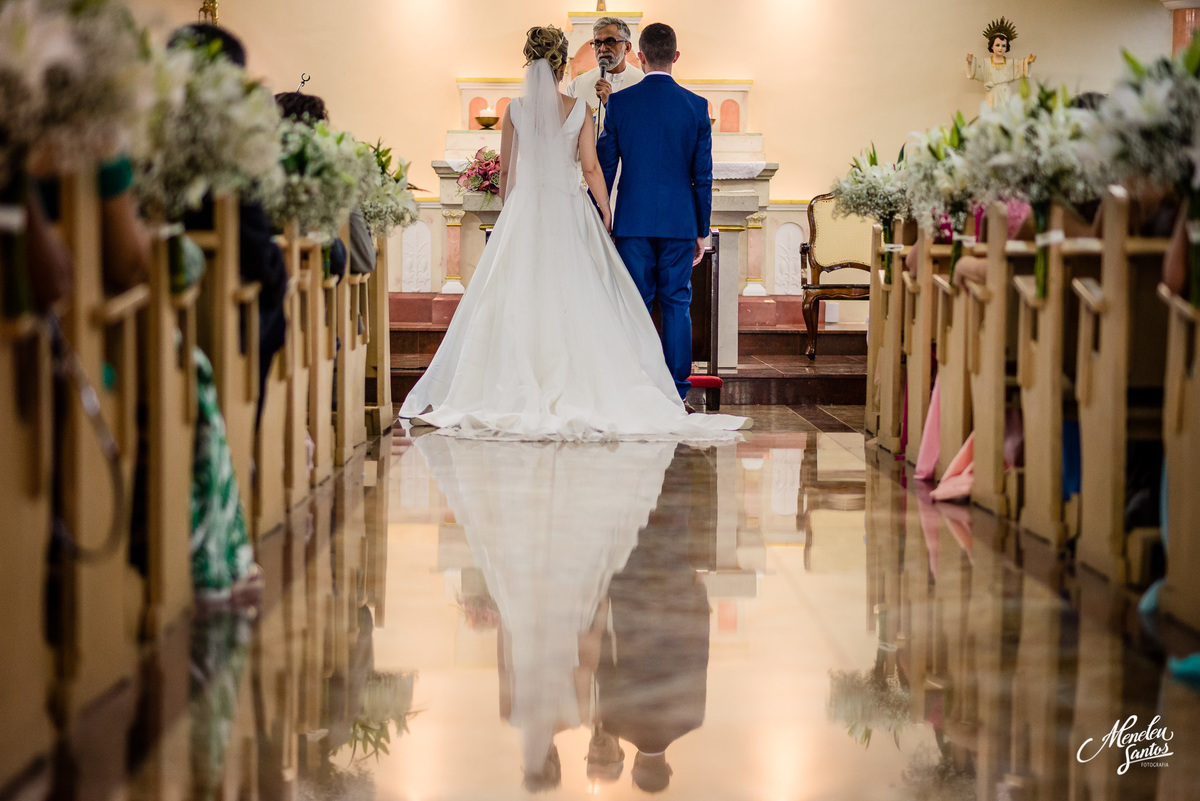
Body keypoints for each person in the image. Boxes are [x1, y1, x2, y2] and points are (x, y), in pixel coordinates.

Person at [398, 25, 748, 440]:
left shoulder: (552, 106)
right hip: (641, 218)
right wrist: (614, 213)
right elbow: (603, 168)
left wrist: (519, 214)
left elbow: (517, 169)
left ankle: (521, 382)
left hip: (569, 214)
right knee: (657, 303)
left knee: (591, 300)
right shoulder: (679, 106)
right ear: (674, 55)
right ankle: (670, 390)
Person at [597, 22, 712, 408]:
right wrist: (702, 230)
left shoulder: (621, 103)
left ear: (640, 56)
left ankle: (638, 388)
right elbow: (703, 175)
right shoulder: (697, 107)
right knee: (677, 303)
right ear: (675, 57)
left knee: (636, 302)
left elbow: (605, 165)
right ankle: (677, 392)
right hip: (680, 223)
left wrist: (603, 215)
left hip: (633, 222)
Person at [566, 16, 644, 134]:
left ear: (627, 47)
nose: (602, 49)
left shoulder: (642, 83)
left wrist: (610, 104)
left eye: (610, 42)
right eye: (597, 43)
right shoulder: (577, 85)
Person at [966, 17, 1036, 108]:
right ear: (992, 46)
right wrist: (970, 62)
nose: (1000, 48)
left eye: (1003, 46)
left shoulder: (1010, 63)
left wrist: (1028, 62)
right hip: (992, 93)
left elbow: (1020, 65)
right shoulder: (986, 62)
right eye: (997, 45)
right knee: (991, 114)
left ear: (1006, 47)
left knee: (1005, 112)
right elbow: (977, 67)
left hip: (1005, 93)